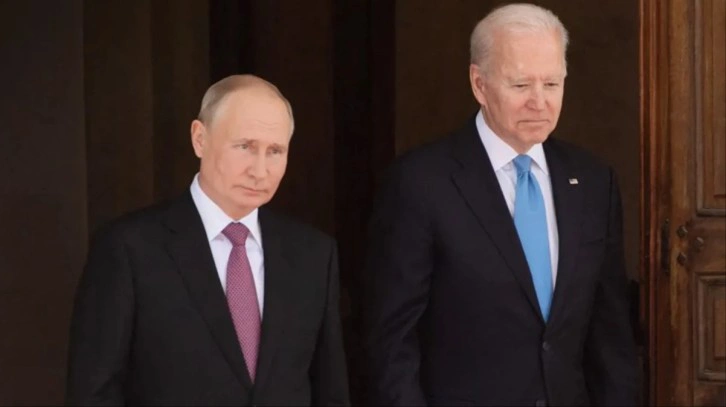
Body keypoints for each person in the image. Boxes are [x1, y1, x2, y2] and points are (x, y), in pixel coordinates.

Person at [363, 3, 637, 406]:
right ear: (479, 84)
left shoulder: (594, 181)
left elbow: (611, 334)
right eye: (521, 85)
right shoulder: (420, 183)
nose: (539, 102)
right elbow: (392, 341)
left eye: (552, 84)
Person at [66, 74, 350, 406]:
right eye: (245, 147)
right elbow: (93, 392)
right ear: (200, 139)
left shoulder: (313, 254)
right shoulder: (129, 248)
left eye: (275, 151)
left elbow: (330, 390)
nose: (260, 171)